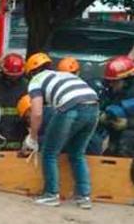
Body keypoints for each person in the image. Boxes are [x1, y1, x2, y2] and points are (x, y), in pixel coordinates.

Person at [22, 52, 98, 209]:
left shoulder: (36, 81)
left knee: (50, 153)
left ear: (31, 72)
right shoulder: (63, 75)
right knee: (77, 154)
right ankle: (84, 197)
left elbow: (36, 113)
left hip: (70, 106)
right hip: (94, 106)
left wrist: (32, 138)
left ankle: (51, 195)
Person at [0, 53, 27, 150]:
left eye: (16, 76)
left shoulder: (27, 86)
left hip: (16, 136)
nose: (13, 78)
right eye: (10, 76)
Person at [97, 55, 134, 157]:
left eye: (114, 81)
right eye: (109, 81)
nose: (111, 84)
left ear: (127, 81)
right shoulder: (110, 92)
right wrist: (101, 116)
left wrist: (128, 123)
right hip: (112, 138)